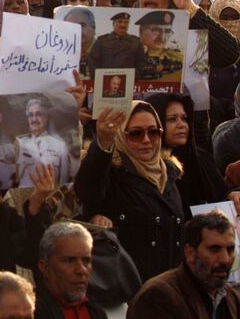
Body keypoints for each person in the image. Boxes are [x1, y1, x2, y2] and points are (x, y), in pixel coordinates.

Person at [75, 103, 185, 282]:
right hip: (130, 290)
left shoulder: (169, 173)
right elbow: (88, 190)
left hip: (169, 289)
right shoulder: (110, 173)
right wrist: (103, 142)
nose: (147, 140)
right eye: (136, 133)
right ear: (120, 136)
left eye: (154, 132)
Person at [127, 211, 240, 318]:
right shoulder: (157, 296)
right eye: (214, 249)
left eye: (230, 249)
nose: (225, 259)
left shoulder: (231, 297)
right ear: (190, 253)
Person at [142, 92, 233, 211]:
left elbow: (222, 196)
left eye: (184, 118)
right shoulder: (146, 167)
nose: (182, 125)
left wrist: (232, 196)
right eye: (172, 119)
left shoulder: (202, 159)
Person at [33, 222, 107, 319]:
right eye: (69, 260)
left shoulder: (97, 312)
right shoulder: (27, 311)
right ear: (45, 268)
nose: (81, 270)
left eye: (86, 261)